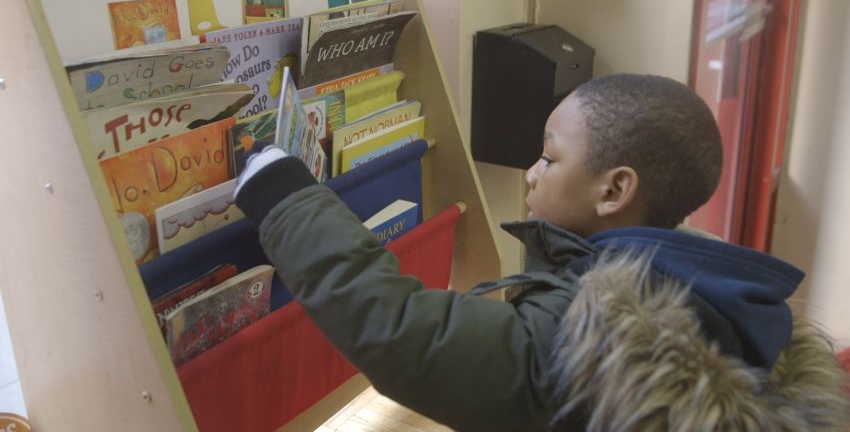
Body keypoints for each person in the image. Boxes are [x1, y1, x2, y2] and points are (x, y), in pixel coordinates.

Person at [234, 74, 849, 431]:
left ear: (615, 190)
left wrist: (286, 198)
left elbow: (406, 338)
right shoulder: (696, 274)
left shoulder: (594, 335)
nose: (532, 172)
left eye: (550, 158)